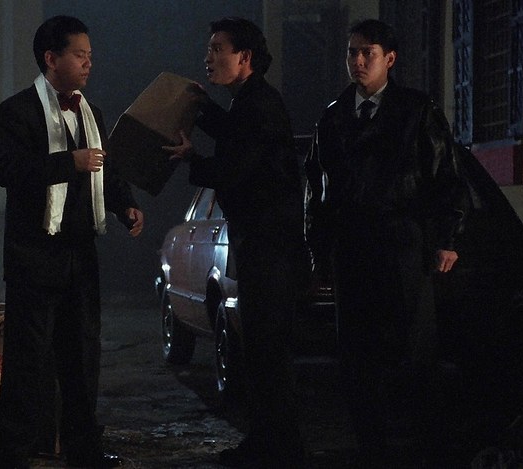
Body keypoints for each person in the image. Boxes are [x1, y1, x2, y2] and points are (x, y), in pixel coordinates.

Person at [304, 19, 465, 465]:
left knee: (414, 353)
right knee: (358, 359)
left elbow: (446, 176)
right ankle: (371, 449)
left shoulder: (416, 110)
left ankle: (426, 450)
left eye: (367, 53)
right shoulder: (334, 115)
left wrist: (446, 238)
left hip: (403, 246)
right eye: (351, 52)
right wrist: (319, 253)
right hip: (352, 249)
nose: (357, 61)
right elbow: (317, 188)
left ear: (389, 59)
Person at [0, 15, 144, 469]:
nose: (88, 63)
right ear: (51, 58)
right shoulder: (15, 112)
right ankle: (14, 457)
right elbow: (7, 171)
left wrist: (125, 206)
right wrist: (67, 162)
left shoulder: (90, 112)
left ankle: (83, 451)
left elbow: (104, 169)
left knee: (81, 359)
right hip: (34, 256)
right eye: (80, 55)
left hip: (80, 255)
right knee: (27, 362)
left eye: (90, 56)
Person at [165, 17, 309, 468]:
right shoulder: (250, 101)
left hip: (270, 248)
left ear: (244, 57)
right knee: (261, 353)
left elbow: (235, 169)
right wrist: (204, 108)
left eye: (217, 49)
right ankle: (268, 444)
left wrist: (193, 159)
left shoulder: (259, 105)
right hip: (261, 244)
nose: (208, 57)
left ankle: (278, 449)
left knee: (267, 354)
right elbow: (234, 134)